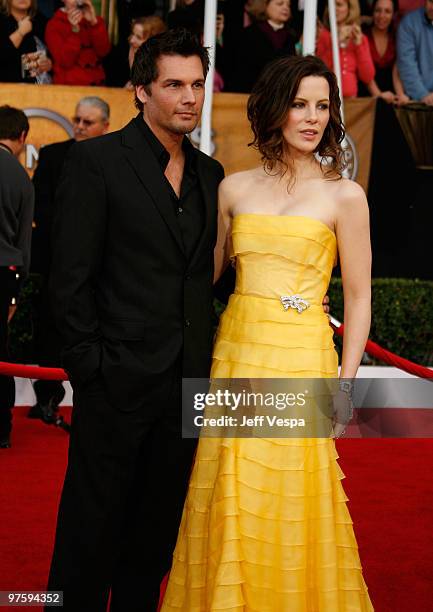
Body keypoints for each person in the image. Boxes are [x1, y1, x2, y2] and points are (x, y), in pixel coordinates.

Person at [161, 55, 373, 611]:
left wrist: (345, 386)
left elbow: (357, 297)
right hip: (236, 352)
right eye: (300, 104)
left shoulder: (346, 196)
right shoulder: (233, 189)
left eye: (323, 106)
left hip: (303, 356)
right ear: (274, 108)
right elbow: (202, 277)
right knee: (231, 489)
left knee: (291, 492)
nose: (312, 118)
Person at [46, 29, 225, 612]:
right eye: (174, 85)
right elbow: (68, 278)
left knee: (152, 542)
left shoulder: (210, 175)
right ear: (140, 90)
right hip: (114, 383)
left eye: (197, 85)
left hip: (184, 391)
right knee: (88, 537)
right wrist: (90, 369)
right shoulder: (95, 161)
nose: (189, 98)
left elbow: (205, 277)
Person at [29, 96, 110, 421]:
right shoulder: (52, 156)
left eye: (87, 122)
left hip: (104, 267)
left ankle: (98, 404)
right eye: (77, 119)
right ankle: (47, 400)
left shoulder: (118, 160)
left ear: (105, 125)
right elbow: (41, 208)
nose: (78, 126)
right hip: (56, 264)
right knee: (49, 334)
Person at [0, 106, 34, 449]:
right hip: (4, 273)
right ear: (22, 137)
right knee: (1, 352)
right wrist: (18, 290)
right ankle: (1, 428)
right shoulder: (21, 178)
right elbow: (24, 241)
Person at [231, 0, 297, 92]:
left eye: (288, 5)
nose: (285, 8)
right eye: (280, 3)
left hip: (282, 94)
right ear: (264, 5)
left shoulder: (290, 37)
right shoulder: (249, 34)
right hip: (251, 93)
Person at [316, 0, 375, 97]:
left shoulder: (360, 37)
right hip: (327, 98)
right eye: (332, 5)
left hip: (351, 101)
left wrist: (359, 46)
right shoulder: (323, 35)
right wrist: (337, 43)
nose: (334, 8)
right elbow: (320, 70)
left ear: (350, 9)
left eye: (339, 5)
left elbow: (367, 77)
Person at [45, 0, 110, 85]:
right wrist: (74, 32)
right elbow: (65, 61)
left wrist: (94, 22)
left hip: (97, 86)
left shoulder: (94, 21)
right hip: (70, 87)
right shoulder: (54, 25)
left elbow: (103, 51)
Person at [363, 0, 409, 104]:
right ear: (372, 12)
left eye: (387, 11)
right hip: (366, 98)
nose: (381, 16)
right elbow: (363, 72)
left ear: (393, 14)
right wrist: (378, 94)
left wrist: (400, 94)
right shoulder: (362, 36)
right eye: (378, 10)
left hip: (391, 97)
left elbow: (397, 70)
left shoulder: (397, 37)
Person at [0, 0, 52, 83]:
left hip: (42, 88)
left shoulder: (41, 20)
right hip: (7, 89)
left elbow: (58, 54)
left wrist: (50, 64)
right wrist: (20, 33)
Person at [396, 0, 433, 105]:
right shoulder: (408, 23)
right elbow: (407, 65)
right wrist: (423, 95)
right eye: (431, 1)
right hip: (419, 101)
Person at [124, 15, 166, 89]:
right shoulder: (134, 49)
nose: (132, 40)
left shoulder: (163, 62)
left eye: (139, 37)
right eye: (133, 34)